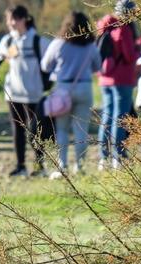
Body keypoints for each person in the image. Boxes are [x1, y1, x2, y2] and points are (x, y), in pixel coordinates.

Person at [42, 12, 100, 178]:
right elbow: (97, 66)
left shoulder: (58, 43)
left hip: (63, 89)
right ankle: (80, 166)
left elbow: (45, 65)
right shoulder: (91, 45)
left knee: (62, 128)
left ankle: (63, 164)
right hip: (84, 87)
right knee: (81, 129)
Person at [0, 5, 47, 177]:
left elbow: (50, 60)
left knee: (35, 131)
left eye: (14, 19)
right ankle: (20, 166)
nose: (11, 23)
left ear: (25, 19)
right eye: (9, 19)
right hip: (13, 92)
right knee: (17, 130)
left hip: (33, 92)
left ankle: (40, 167)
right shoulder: (8, 40)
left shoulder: (37, 40)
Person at [96, 0, 140, 170]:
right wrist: (138, 49)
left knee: (107, 117)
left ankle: (103, 157)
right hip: (122, 79)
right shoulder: (124, 29)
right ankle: (118, 156)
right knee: (119, 118)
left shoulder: (107, 27)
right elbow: (129, 56)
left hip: (105, 78)